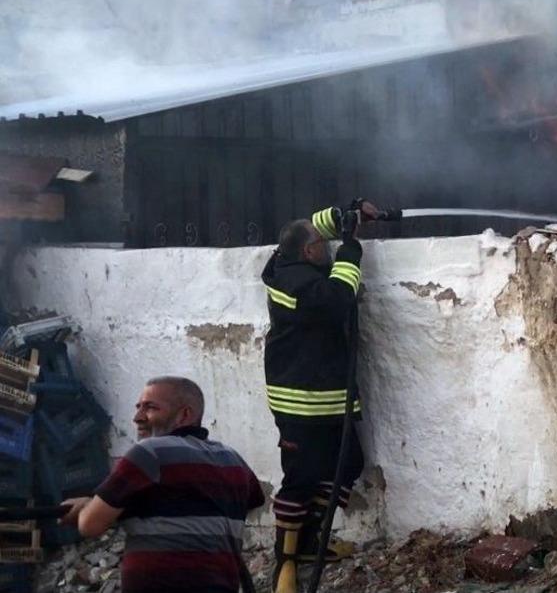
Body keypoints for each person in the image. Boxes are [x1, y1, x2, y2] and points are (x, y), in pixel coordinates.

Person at [261, 200, 380, 593]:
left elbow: (302, 226)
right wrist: (350, 251)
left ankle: (312, 540)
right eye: (322, 244)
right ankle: (287, 563)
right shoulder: (299, 285)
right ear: (310, 251)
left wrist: (347, 215)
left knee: (348, 462)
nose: (326, 247)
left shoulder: (288, 261)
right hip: (301, 400)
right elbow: (338, 300)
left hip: (324, 396)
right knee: (300, 478)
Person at [60, 376, 265, 593]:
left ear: (185, 415)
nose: (137, 417)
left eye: (150, 408)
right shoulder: (232, 459)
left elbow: (90, 524)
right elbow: (252, 501)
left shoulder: (148, 453)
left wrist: (85, 508)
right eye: (138, 407)